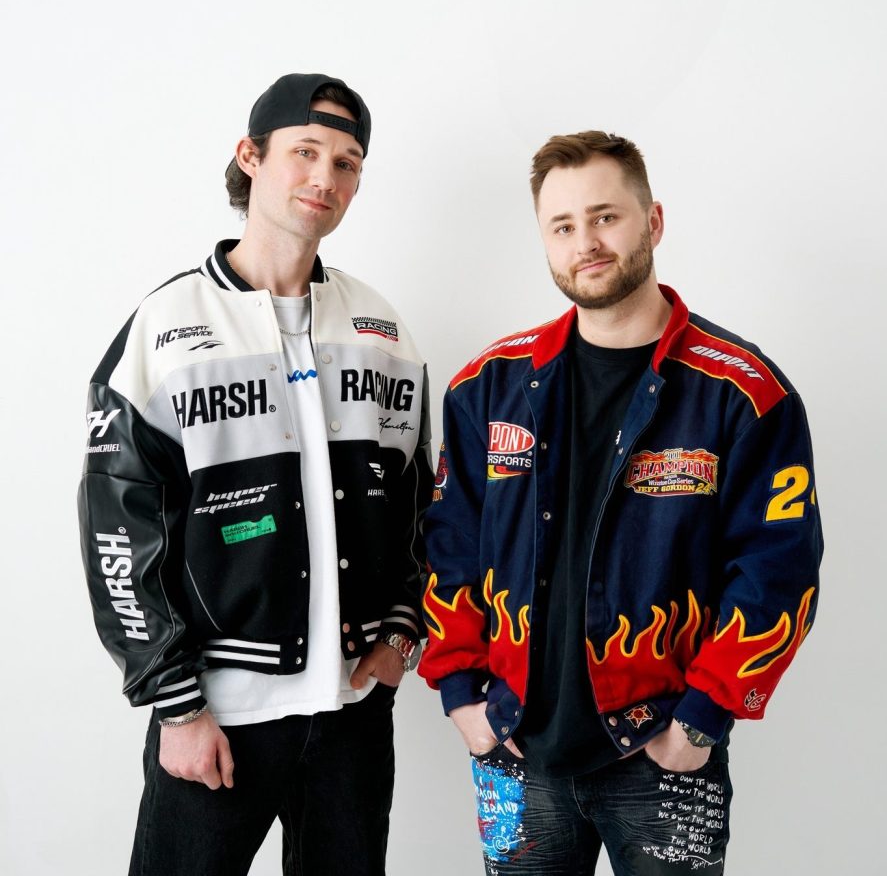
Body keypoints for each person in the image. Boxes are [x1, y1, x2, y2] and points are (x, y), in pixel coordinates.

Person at [418, 130, 822, 875]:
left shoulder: (743, 392)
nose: (586, 243)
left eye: (605, 216)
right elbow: (449, 545)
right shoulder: (486, 387)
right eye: (562, 226)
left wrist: (701, 720)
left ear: (652, 221)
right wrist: (459, 693)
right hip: (513, 749)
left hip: (666, 758)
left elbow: (779, 569)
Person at [79, 72, 433, 876]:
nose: (324, 178)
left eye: (345, 163)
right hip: (218, 714)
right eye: (304, 152)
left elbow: (421, 496)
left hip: (352, 713)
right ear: (251, 156)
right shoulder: (167, 327)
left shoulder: (379, 327)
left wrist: (401, 630)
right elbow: (115, 530)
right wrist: (175, 705)